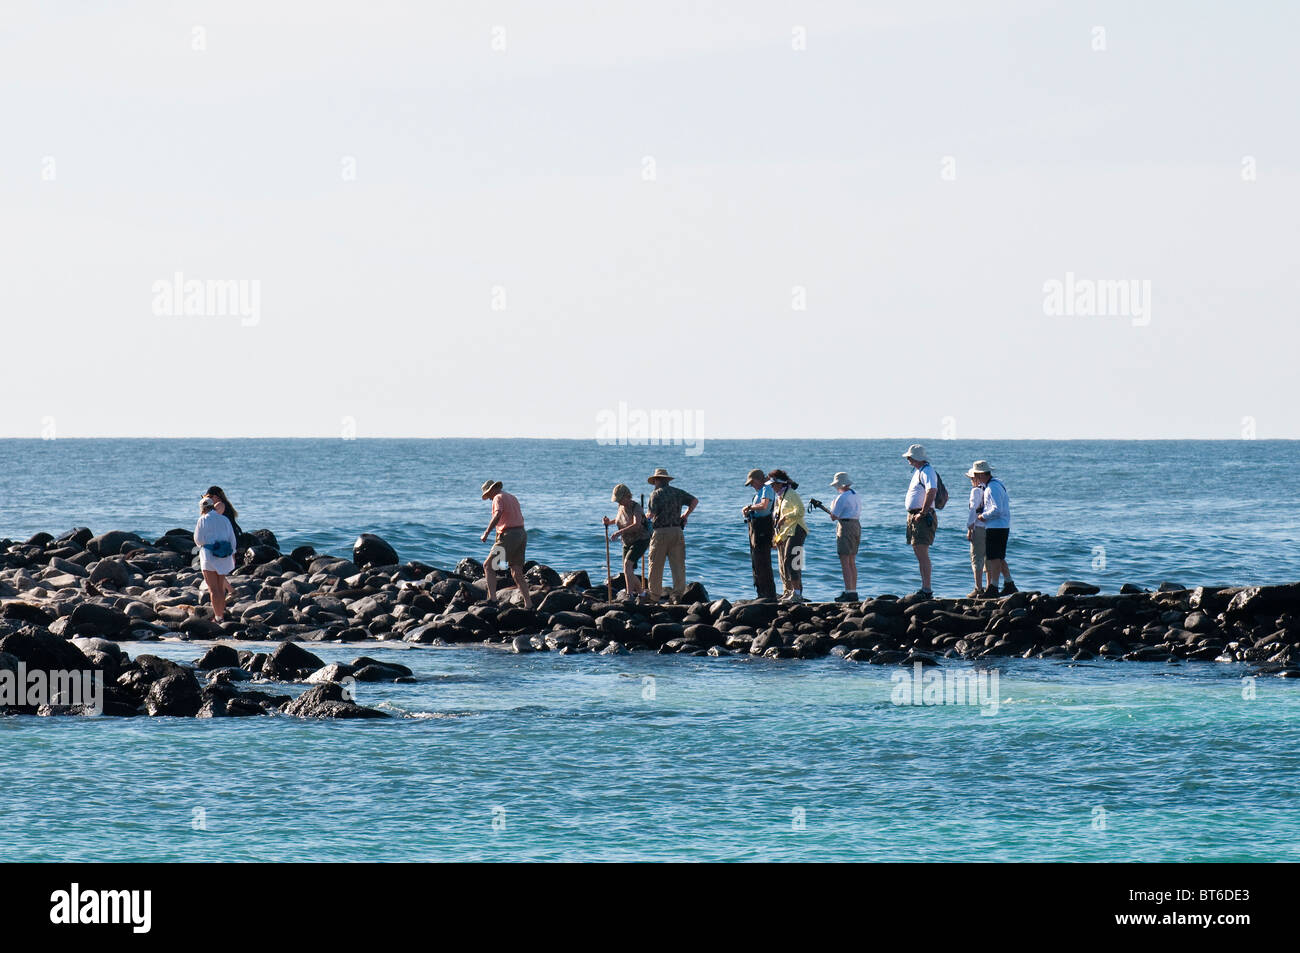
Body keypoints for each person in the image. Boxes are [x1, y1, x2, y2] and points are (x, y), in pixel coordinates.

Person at [479, 479, 534, 610]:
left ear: (492, 489)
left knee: (488, 566)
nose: (489, 499)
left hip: (509, 535)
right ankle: (529, 604)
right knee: (516, 571)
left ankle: (492, 600)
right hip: (521, 534)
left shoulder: (498, 497)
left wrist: (486, 533)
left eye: (488, 495)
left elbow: (498, 514)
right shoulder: (512, 497)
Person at [645, 468, 698, 602]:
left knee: (656, 565)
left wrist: (643, 518)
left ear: (657, 480)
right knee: (678, 565)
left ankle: (654, 596)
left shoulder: (655, 494)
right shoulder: (677, 492)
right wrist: (685, 515)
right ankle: (676, 596)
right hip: (677, 531)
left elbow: (650, 515)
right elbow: (694, 501)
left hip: (660, 533)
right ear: (667, 480)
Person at [973, 462, 1016, 595]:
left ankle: (993, 587)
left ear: (981, 474)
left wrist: (983, 516)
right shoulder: (996, 484)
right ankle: (1009, 583)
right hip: (1000, 525)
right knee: (999, 557)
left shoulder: (992, 488)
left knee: (994, 558)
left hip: (996, 526)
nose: (975, 477)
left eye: (976, 475)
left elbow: (997, 509)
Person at [193, 494, 237, 622]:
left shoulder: (203, 519)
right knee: (220, 588)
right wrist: (232, 554)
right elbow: (232, 539)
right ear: (213, 506)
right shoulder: (224, 519)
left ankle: (218, 618)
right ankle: (221, 615)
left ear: (202, 508)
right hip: (224, 556)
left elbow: (198, 540)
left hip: (209, 556)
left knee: (213, 589)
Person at [902, 444, 939, 599]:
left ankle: (927, 589)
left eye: (910, 457)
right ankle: (925, 587)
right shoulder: (920, 471)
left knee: (922, 552)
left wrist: (923, 512)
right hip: (915, 515)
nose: (908, 460)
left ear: (916, 458)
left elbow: (932, 491)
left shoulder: (927, 471)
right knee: (918, 551)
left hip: (921, 516)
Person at [768, 469, 808, 603]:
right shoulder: (780, 496)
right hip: (786, 532)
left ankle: (797, 593)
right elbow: (777, 518)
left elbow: (801, 511)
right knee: (786, 562)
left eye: (773, 484)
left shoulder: (791, 494)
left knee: (791, 560)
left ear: (780, 483)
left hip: (796, 530)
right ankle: (791, 591)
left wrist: (786, 516)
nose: (771, 487)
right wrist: (776, 536)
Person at [604, 483, 649, 600]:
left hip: (641, 539)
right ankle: (642, 593)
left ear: (627, 496)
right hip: (627, 541)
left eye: (620, 499)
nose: (618, 502)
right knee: (627, 569)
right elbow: (619, 520)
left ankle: (629, 595)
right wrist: (609, 522)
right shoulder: (621, 507)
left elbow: (637, 524)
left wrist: (619, 532)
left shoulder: (636, 507)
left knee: (627, 565)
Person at [741, 468, 777, 599]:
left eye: (752, 483)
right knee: (757, 560)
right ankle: (761, 591)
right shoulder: (762, 491)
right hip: (756, 526)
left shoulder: (767, 488)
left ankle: (767, 593)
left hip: (762, 527)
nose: (751, 486)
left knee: (762, 560)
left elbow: (764, 505)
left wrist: (749, 507)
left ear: (757, 480)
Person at [827, 471, 861, 602]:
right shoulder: (855, 494)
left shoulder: (842, 497)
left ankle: (848, 591)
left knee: (844, 560)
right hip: (856, 525)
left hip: (845, 526)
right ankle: (853, 590)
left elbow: (833, 516)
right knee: (852, 560)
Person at [205, 485, 241, 605]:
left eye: (208, 497)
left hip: (225, 540)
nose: (207, 500)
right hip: (227, 538)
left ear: (215, 496)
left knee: (216, 567)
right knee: (217, 567)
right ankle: (230, 591)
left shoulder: (219, 505)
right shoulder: (224, 504)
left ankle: (228, 592)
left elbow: (210, 518)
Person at [965, 463, 988, 598]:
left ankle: (978, 588)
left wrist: (969, 527)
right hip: (990, 527)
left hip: (978, 527)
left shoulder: (975, 491)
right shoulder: (988, 488)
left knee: (976, 558)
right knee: (987, 558)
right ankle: (989, 585)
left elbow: (973, 510)